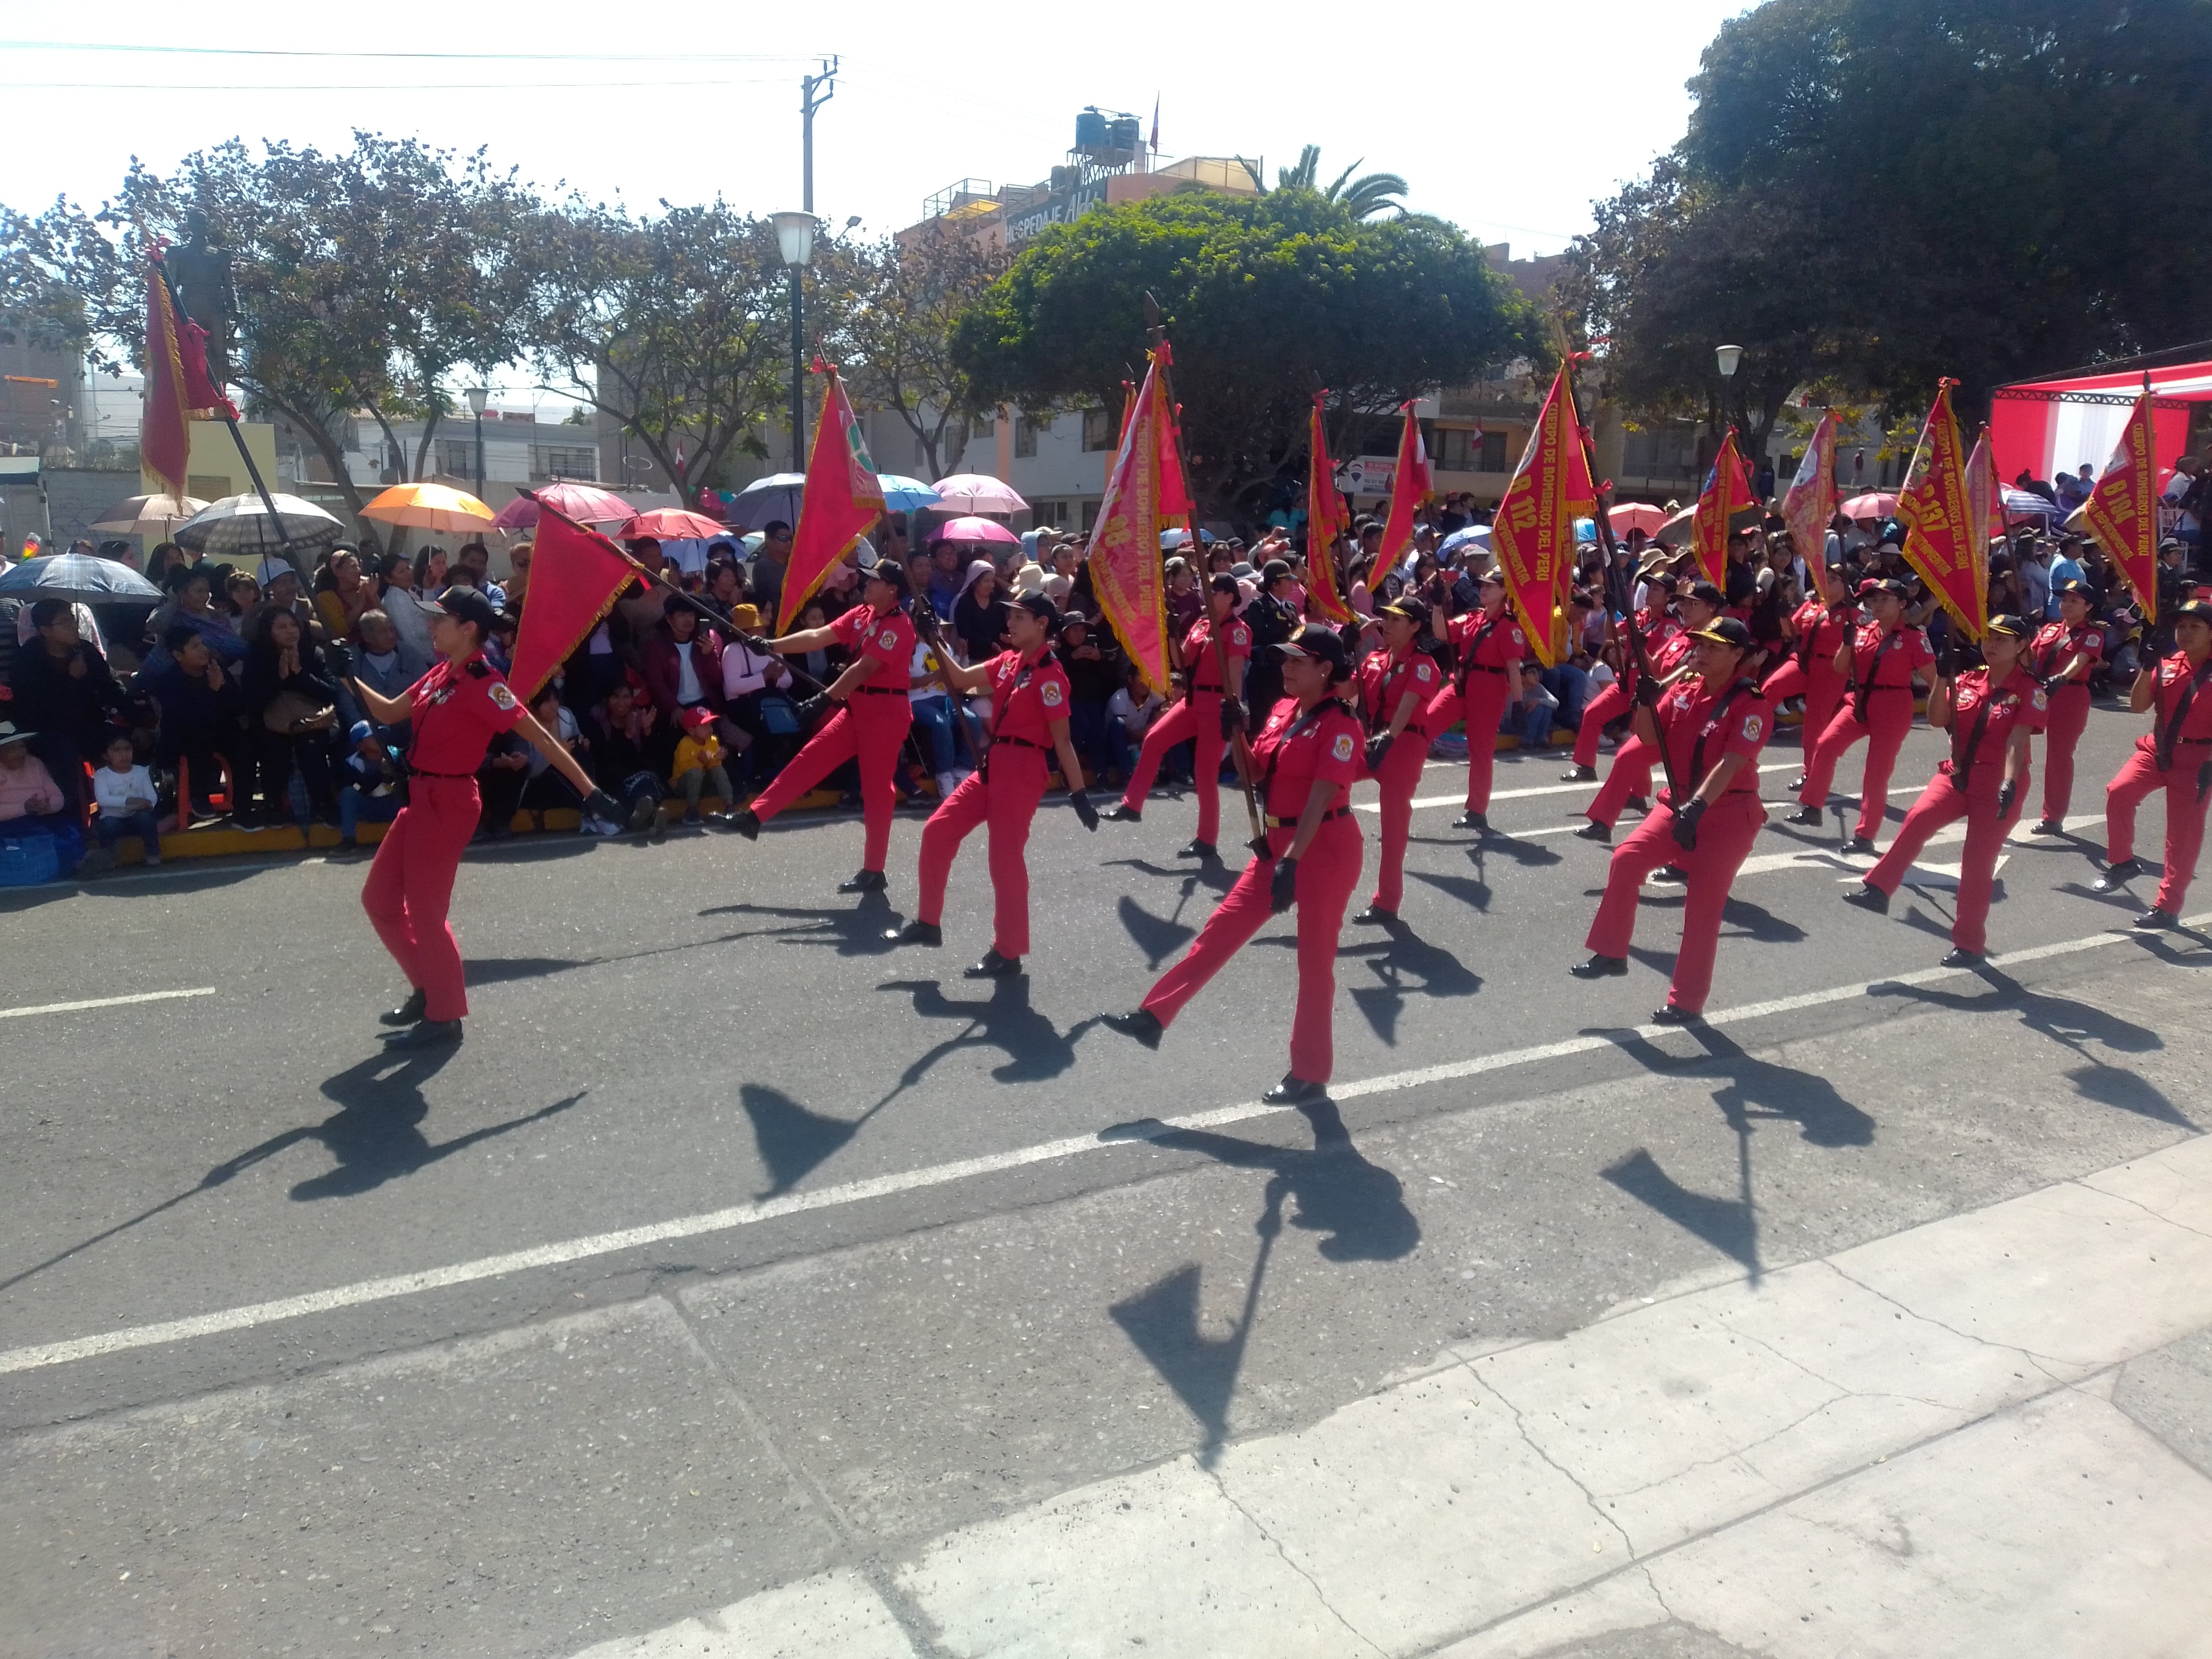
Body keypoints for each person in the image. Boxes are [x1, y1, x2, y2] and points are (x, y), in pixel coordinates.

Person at [340, 586, 617, 1046]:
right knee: (380, 901)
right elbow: (389, 711)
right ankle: (428, 988)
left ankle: (445, 1016)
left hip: (449, 803)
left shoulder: (487, 684)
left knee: (426, 911)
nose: (430, 626)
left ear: (468, 629)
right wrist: (350, 677)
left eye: (439, 619)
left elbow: (543, 739)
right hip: (420, 795)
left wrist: (591, 792)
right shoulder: (440, 674)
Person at [1102, 625, 1366, 1104]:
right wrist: (1237, 735)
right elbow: (1254, 773)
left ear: (1325, 669)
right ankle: (1154, 1015)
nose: (1285, 667)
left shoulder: (1341, 725)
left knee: (1314, 963)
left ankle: (1310, 1073)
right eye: (1283, 659)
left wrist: (1293, 860)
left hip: (1323, 846)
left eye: (1297, 661)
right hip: (1278, 844)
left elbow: (1322, 796)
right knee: (1221, 928)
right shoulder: (1285, 712)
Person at [884, 594, 1101, 975]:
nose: (1011, 622)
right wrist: (935, 639)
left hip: (1023, 768)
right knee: (938, 831)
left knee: (1004, 862)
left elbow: (1063, 740)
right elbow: (962, 679)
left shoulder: (1051, 675)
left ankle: (1009, 951)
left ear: (1042, 625)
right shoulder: (1009, 660)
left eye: (1020, 617)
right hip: (994, 763)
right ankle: (928, 924)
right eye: (1011, 616)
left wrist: (1078, 793)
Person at [1570, 617, 1772, 1023]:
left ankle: (1686, 1001)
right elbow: (1648, 737)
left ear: (1738, 656)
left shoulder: (1752, 703)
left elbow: (1733, 762)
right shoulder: (1683, 691)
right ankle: (1611, 953)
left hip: (1728, 814)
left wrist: (1697, 808)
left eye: (1714, 647)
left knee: (1702, 908)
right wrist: (1645, 700)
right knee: (1626, 859)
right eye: (1700, 643)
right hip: (1678, 803)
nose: (1701, 650)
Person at [1844, 615, 2045, 963]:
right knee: (1918, 817)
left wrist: (2010, 782)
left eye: (2003, 639)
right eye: (1989, 636)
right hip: (1957, 773)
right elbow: (1938, 719)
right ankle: (1879, 889)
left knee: (1977, 865)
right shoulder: (1969, 679)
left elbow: (2018, 739)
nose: (1992, 643)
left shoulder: (2030, 690)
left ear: (2022, 645)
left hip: (1998, 782)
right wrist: (1942, 677)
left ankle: (1969, 944)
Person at [732, 562, 917, 895]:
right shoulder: (862, 613)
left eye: (875, 579)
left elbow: (866, 667)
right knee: (810, 758)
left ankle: (874, 870)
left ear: (892, 589)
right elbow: (818, 636)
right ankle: (755, 817)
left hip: (886, 712)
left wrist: (826, 697)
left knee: (876, 792)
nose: (866, 582)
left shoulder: (899, 625)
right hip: (858, 707)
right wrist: (774, 645)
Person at [1782, 578, 1937, 852]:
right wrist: (1847, 643)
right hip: (1860, 701)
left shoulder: (1914, 638)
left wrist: (1946, 711)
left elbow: (1932, 680)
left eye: (1885, 599)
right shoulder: (1863, 631)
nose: (1876, 604)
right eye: (1874, 599)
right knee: (1825, 745)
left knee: (1876, 772)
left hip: (1893, 704)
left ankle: (1865, 835)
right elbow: (1841, 668)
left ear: (1902, 604)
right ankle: (1813, 806)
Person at [1105, 572, 1250, 858]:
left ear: (1229, 597)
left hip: (1217, 703)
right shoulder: (1202, 623)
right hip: (1193, 699)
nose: (1206, 594)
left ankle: (1206, 840)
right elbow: (1182, 660)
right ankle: (1132, 805)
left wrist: (1233, 707)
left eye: (1213, 590)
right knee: (1154, 740)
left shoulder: (1237, 630)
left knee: (1204, 774)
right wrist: (1171, 633)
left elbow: (1234, 674)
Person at [2092, 596, 2212, 928]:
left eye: (2195, 626)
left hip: (2199, 759)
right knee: (2119, 791)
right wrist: (2147, 666)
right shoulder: (2169, 663)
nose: (2185, 632)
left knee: (2182, 837)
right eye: (2180, 626)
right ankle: (2123, 862)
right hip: (2157, 750)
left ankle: (2167, 907)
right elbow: (2137, 706)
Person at [1576, 581, 1720, 842]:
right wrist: (1640, 646)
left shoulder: (1717, 641)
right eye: (1684, 602)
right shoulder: (1681, 635)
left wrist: (1661, 686)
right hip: (1667, 711)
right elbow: (1655, 668)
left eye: (1693, 603)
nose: (1685, 608)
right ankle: (1602, 823)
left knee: (1691, 787)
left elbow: (1693, 671)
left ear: (1711, 608)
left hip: (1695, 719)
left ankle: (1691, 844)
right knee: (1627, 756)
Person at [1352, 600, 1442, 923]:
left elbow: (1408, 704)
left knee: (1393, 825)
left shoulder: (1423, 664)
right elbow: (1345, 690)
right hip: (1373, 742)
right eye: (1386, 617)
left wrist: (1389, 738)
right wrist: (1346, 647)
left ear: (1416, 626)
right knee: (1322, 783)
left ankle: (1387, 902)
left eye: (1396, 620)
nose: (1386, 624)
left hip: (1403, 745)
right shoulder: (1376, 659)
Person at [1423, 569, 1524, 835]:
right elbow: (1442, 632)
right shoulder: (1472, 618)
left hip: (1490, 688)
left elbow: (1514, 668)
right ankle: (1400, 778)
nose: (1484, 589)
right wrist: (1436, 604)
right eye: (1482, 585)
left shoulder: (1509, 626)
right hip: (1462, 684)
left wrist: (1519, 703)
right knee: (1424, 725)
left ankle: (1477, 810)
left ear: (1504, 591)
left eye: (1491, 586)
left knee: (1481, 752)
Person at [1562, 572, 1682, 782]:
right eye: (1650, 587)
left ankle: (1638, 793)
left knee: (1638, 737)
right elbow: (1612, 635)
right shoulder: (1641, 615)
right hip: (1626, 680)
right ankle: (1586, 767)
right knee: (1593, 714)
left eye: (1656, 589)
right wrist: (1611, 611)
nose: (1649, 592)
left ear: (1669, 597)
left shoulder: (1671, 626)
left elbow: (1660, 667)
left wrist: (1639, 646)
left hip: (1646, 688)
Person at [1760, 580, 1857, 789]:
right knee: (1769, 689)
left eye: (1832, 577)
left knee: (1815, 725)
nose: (1827, 580)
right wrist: (1783, 614)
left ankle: (1810, 774)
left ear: (1843, 584)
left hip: (1830, 670)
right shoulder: (1812, 606)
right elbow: (1790, 631)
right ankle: (1747, 740)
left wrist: (1852, 639)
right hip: (1803, 661)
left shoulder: (1854, 614)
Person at [2025, 580, 2104, 835]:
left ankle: (2053, 816)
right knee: (2014, 743)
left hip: (2069, 695)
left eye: (2074, 601)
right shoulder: (2048, 630)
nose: (2066, 605)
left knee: (2058, 757)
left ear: (2088, 606)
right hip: (2038, 694)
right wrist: (2021, 641)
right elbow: (2029, 658)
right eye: (2064, 600)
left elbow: (2081, 661)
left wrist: (2061, 678)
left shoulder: (2093, 634)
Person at [145, 624, 242, 815]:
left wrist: (223, 687)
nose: (204, 650)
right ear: (178, 655)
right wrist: (212, 692)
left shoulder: (216, 670)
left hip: (221, 731)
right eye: (195, 646)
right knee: (197, 736)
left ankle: (242, 799)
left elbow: (239, 707)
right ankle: (198, 795)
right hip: (184, 739)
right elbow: (185, 718)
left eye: (203, 644)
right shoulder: (168, 681)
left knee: (242, 742)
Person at [88, 731, 161, 871]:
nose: (124, 755)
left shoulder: (141, 771)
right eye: (117, 750)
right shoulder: (102, 775)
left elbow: (152, 796)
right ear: (106, 755)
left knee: (146, 818)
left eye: (128, 749)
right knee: (109, 825)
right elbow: (102, 799)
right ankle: (109, 858)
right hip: (114, 818)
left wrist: (147, 804)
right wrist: (129, 801)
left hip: (137, 817)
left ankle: (153, 854)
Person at [336, 720, 404, 853]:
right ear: (360, 745)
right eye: (371, 737)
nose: (378, 738)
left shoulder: (395, 754)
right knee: (348, 793)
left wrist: (395, 772)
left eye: (378, 734)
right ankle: (349, 840)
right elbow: (360, 788)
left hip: (396, 804)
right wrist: (380, 772)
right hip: (371, 807)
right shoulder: (353, 764)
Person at [671, 705, 735, 825]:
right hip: (683, 785)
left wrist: (718, 758)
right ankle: (691, 811)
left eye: (710, 724)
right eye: (704, 726)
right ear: (691, 730)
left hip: (703, 783)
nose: (710, 729)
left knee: (719, 770)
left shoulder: (713, 740)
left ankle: (729, 807)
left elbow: (714, 766)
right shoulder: (685, 744)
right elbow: (686, 769)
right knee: (695, 773)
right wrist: (706, 760)